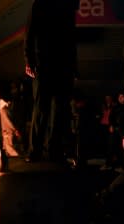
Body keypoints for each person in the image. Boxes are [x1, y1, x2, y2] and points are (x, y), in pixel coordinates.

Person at [24, 0, 80, 163]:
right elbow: (29, 32)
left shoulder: (67, 6)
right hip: (44, 64)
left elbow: (71, 37)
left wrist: (73, 66)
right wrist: (29, 59)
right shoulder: (40, 4)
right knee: (42, 108)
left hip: (62, 67)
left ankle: (53, 150)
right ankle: (35, 151)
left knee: (59, 110)